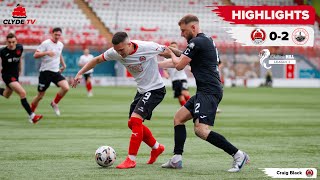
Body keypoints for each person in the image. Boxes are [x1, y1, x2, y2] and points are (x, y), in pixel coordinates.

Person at [158, 14, 249, 172]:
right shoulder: (205, 40)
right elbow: (183, 58)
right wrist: (154, 63)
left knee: (201, 130)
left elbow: (179, 65)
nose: (181, 34)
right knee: (179, 118)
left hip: (209, 91)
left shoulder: (197, 42)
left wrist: (170, 53)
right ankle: (176, 159)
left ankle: (238, 155)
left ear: (193, 28)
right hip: (205, 90)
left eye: (183, 30)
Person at [72, 32, 166, 169]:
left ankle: (131, 159)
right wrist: (80, 73)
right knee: (132, 124)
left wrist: (184, 57)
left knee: (135, 121)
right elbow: (97, 60)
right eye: (117, 50)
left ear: (129, 44)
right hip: (142, 90)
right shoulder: (115, 52)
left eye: (121, 50)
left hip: (156, 89)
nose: (119, 53)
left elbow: (167, 50)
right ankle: (157, 148)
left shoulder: (147, 47)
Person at [0, 33, 43, 123]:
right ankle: (32, 116)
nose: (11, 44)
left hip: (15, 75)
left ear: (16, 41)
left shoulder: (20, 48)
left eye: (13, 42)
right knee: (22, 93)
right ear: (6, 42)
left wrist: (19, 70)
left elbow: (19, 59)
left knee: (6, 95)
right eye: (9, 42)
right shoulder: (2, 51)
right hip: (7, 75)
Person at [31, 27, 69, 116]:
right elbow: (35, 55)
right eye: (55, 34)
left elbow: (59, 54)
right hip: (45, 72)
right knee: (40, 96)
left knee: (66, 87)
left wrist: (63, 65)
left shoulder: (60, 44)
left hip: (55, 72)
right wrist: (46, 52)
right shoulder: (46, 43)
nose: (57, 37)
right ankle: (31, 113)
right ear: (52, 34)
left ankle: (54, 103)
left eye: (59, 35)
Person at [162, 42, 190, 106]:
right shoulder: (166, 58)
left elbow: (187, 63)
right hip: (174, 80)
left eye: (175, 47)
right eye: (172, 47)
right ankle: (185, 111)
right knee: (180, 96)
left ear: (177, 48)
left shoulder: (181, 56)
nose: (174, 48)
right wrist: (166, 74)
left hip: (182, 78)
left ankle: (192, 107)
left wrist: (190, 68)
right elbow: (165, 69)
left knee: (185, 93)